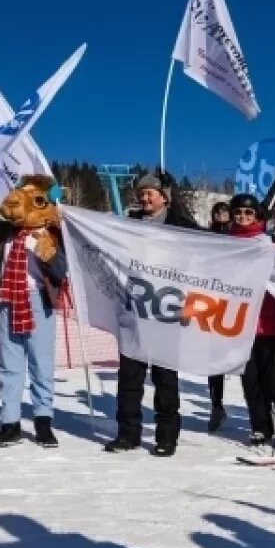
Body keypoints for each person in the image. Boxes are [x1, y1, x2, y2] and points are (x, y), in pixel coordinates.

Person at [105, 173, 200, 456]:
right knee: (130, 378)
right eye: (142, 193)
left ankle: (166, 436)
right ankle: (128, 434)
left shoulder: (180, 225)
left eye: (151, 193)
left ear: (163, 196)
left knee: (165, 378)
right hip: (135, 309)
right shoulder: (130, 224)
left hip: (167, 310)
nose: (145, 198)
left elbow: (209, 247)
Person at [0, 172, 68, 448]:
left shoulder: (52, 234)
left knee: (41, 363)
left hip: (38, 301)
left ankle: (43, 422)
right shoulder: (7, 230)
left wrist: (45, 251)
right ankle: (10, 422)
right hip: (8, 301)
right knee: (9, 364)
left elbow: (62, 271)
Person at [228, 194, 275, 448]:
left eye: (248, 213)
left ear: (257, 216)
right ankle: (260, 426)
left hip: (268, 321)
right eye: (238, 212)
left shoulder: (268, 243)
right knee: (250, 379)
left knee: (274, 379)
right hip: (238, 322)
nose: (242, 217)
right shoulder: (224, 245)